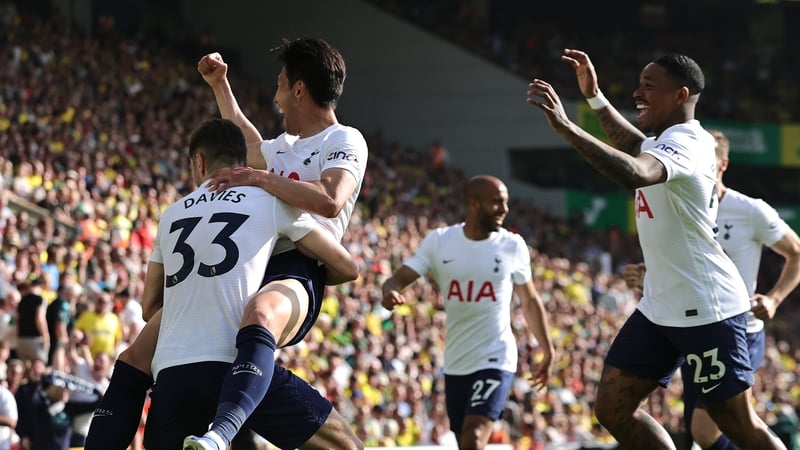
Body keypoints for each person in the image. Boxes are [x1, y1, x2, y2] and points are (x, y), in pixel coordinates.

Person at [85, 37, 368, 450]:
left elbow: (330, 200)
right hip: (249, 262)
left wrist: (259, 179)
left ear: (300, 90)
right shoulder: (281, 149)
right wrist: (220, 86)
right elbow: (248, 142)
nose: (275, 97)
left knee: (260, 314)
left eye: (279, 86)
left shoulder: (342, 140)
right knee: (140, 350)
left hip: (297, 265)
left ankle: (223, 430)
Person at [526, 49, 785, 449]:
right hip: (662, 305)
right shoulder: (667, 140)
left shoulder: (688, 141)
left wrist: (567, 128)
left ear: (680, 95)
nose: (637, 93)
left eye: (649, 86)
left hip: (706, 307)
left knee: (736, 423)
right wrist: (595, 98)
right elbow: (635, 145)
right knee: (613, 408)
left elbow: (635, 172)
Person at [133, 118, 361, 450]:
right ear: (245, 162)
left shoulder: (172, 214)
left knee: (130, 367)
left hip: (173, 370)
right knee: (347, 446)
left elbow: (149, 307)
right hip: (242, 364)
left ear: (199, 162)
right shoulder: (268, 201)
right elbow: (347, 267)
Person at [622, 129, 800, 450]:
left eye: (708, 161)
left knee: (708, 428)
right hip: (693, 324)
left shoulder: (749, 210)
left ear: (722, 164)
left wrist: (774, 298)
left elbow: (797, 252)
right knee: (701, 430)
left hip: (738, 329)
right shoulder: (677, 203)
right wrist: (646, 278)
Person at [381, 175, 555, 450]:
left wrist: (548, 349)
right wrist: (389, 291)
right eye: (496, 202)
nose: (504, 209)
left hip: (496, 355)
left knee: (474, 438)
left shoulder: (512, 246)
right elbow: (397, 278)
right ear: (473, 204)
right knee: (464, 441)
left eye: (506, 202)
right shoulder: (440, 242)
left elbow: (530, 301)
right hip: (457, 360)